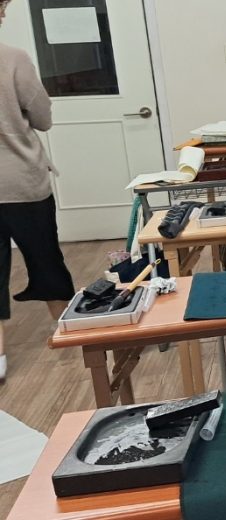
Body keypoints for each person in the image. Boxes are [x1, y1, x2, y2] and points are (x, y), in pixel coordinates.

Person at [0, 0, 74, 385]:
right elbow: (42, 117)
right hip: (20, 183)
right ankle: (68, 329)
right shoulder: (13, 59)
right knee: (45, 257)